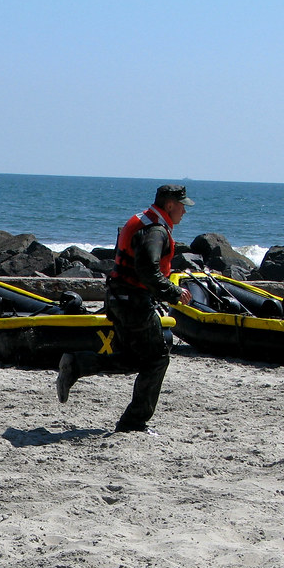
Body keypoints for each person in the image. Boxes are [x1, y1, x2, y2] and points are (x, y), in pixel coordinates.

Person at [55, 184, 194, 435]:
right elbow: (147, 270)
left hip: (118, 299)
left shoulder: (145, 221)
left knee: (132, 359)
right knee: (157, 359)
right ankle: (134, 423)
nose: (185, 211)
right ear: (170, 205)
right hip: (134, 304)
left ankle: (77, 363)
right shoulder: (156, 231)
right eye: (183, 206)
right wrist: (173, 292)